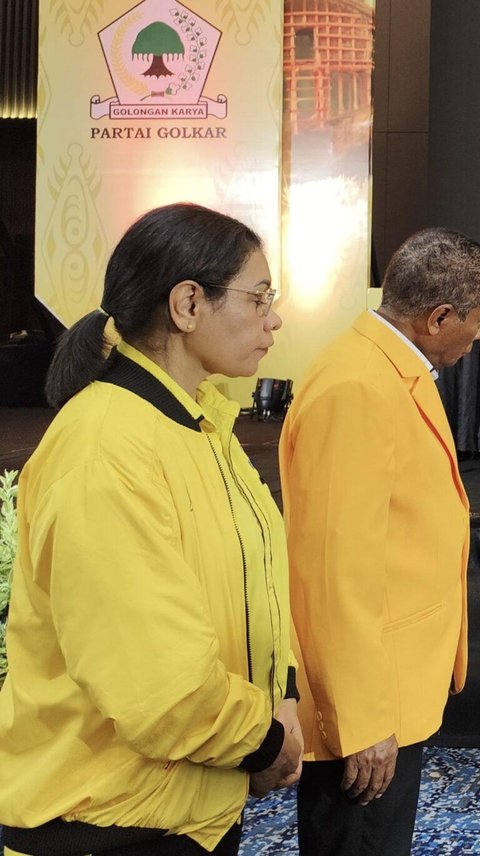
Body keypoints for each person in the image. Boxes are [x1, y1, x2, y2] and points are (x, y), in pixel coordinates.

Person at [0, 203, 300, 855]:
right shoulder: (104, 450)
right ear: (188, 304)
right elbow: (160, 687)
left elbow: (258, 584)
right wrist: (265, 741)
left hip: (188, 803)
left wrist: (284, 694)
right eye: (258, 297)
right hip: (106, 820)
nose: (273, 318)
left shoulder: (201, 423)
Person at [280, 228, 480, 856]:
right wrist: (364, 719)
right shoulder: (356, 387)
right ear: (439, 318)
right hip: (368, 707)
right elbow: (333, 573)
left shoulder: (390, 365)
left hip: (395, 683)